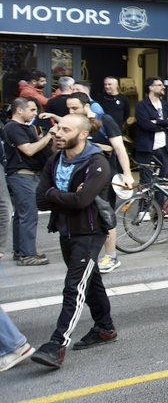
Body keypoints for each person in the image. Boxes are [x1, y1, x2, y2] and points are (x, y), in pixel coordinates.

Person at [30, 114, 117, 370]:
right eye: (58, 128)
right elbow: (40, 201)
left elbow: (82, 202)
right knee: (90, 281)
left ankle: (57, 345)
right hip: (66, 230)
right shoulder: (54, 160)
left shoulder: (98, 163)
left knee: (74, 287)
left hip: (90, 232)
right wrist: (64, 195)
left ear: (81, 134)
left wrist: (55, 194)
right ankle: (105, 327)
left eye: (65, 129)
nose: (57, 132)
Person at [64, 94, 133, 274]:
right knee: (83, 214)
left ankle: (111, 256)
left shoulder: (105, 120)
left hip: (104, 177)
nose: (71, 112)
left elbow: (119, 149)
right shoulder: (72, 124)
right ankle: (86, 254)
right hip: (79, 177)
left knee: (104, 215)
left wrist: (127, 174)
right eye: (68, 109)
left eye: (74, 108)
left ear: (87, 106)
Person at [3, 96, 53, 265]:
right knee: (28, 215)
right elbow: (29, 150)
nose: (35, 113)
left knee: (21, 215)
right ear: (19, 110)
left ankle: (21, 251)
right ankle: (27, 255)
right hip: (22, 176)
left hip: (26, 175)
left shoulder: (25, 128)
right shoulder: (13, 127)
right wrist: (48, 137)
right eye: (32, 110)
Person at [134, 77, 168, 176]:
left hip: (165, 148)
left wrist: (157, 121)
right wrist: (165, 124)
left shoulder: (167, 105)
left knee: (164, 180)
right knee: (146, 181)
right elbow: (145, 125)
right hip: (146, 149)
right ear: (151, 87)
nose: (163, 87)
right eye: (160, 85)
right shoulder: (141, 105)